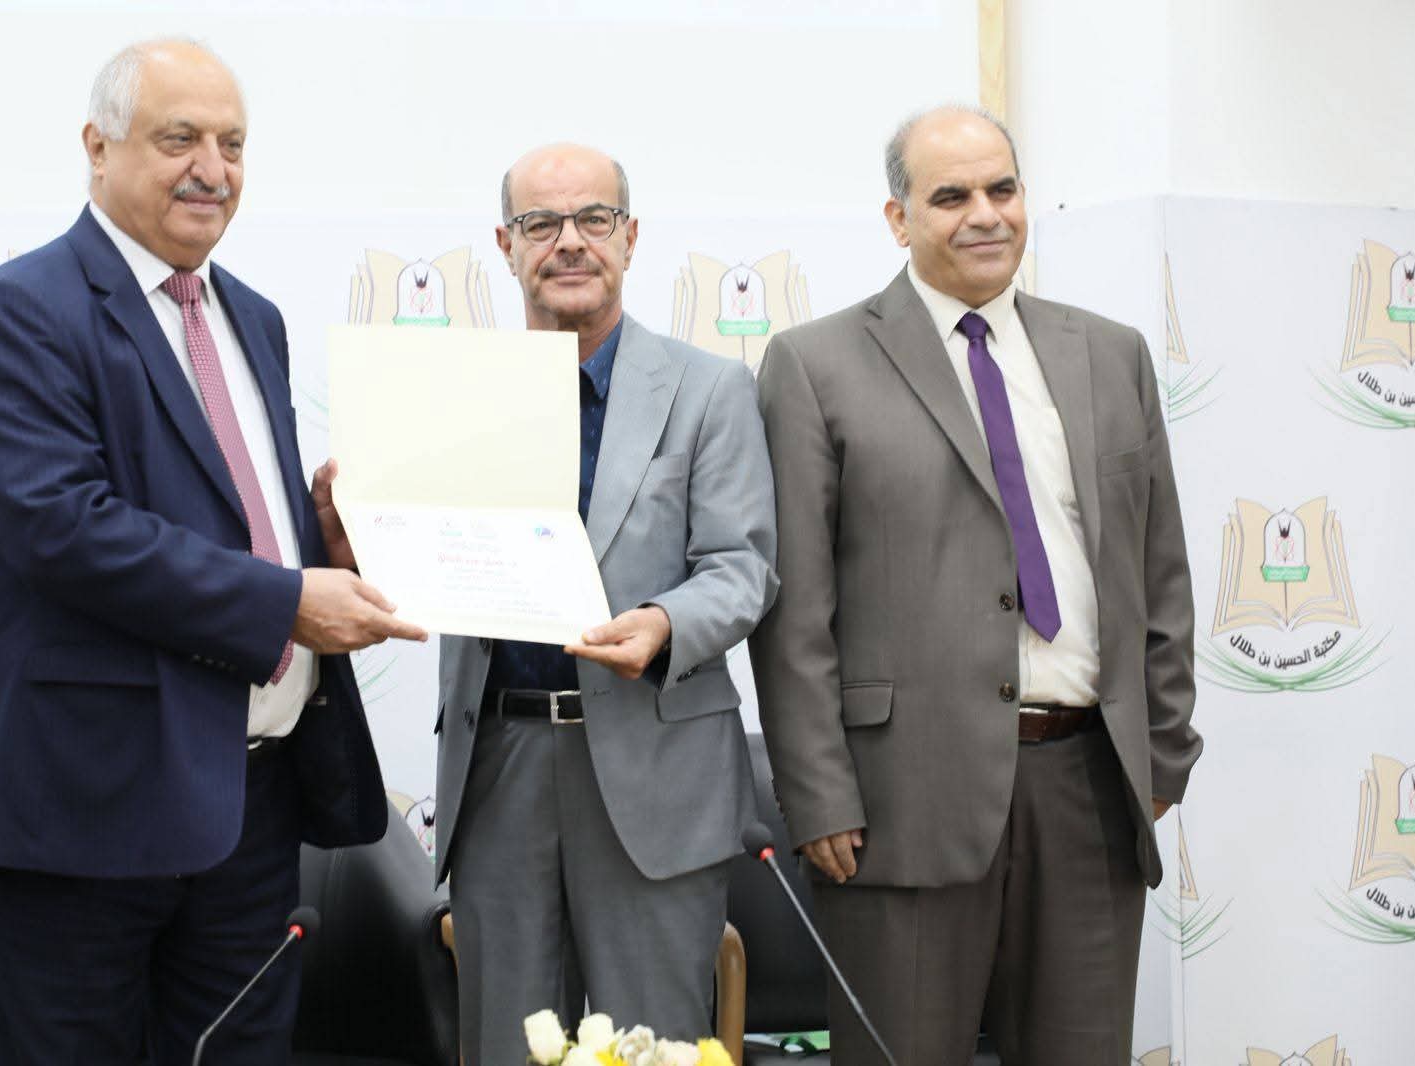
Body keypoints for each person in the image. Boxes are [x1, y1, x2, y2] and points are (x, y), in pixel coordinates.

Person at [0, 38, 425, 1066]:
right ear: (97, 147)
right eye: (179, 138)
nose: (212, 169)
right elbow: (63, 527)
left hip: (248, 813)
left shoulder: (254, 318)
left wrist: (320, 539)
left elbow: (225, 518)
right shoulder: (21, 310)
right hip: (83, 809)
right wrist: (285, 600)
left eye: (233, 144)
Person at [749, 105, 1202, 1066]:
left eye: (1003, 189)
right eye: (951, 196)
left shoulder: (1112, 353)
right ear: (898, 217)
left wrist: (1163, 751)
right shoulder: (814, 364)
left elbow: (1158, 569)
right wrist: (819, 795)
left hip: (1089, 788)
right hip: (897, 803)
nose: (985, 214)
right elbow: (796, 613)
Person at [431, 143, 778, 1066]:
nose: (570, 242)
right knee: (508, 1048)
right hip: (500, 764)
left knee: (655, 1045)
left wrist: (665, 624)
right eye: (542, 223)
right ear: (505, 245)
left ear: (630, 236)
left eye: (593, 219)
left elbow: (742, 569)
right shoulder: (457, 400)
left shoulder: (709, 389)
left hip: (654, 765)